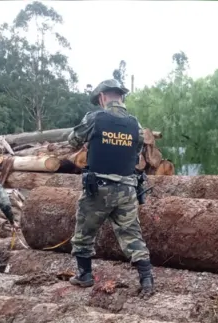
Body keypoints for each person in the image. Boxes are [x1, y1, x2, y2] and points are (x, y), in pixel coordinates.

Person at [66, 79, 154, 296]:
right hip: (127, 189)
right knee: (132, 234)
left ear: (103, 97)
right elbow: (138, 148)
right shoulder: (136, 124)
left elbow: (72, 141)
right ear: (121, 97)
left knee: (84, 233)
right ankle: (147, 280)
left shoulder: (95, 117)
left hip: (99, 188)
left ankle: (85, 275)